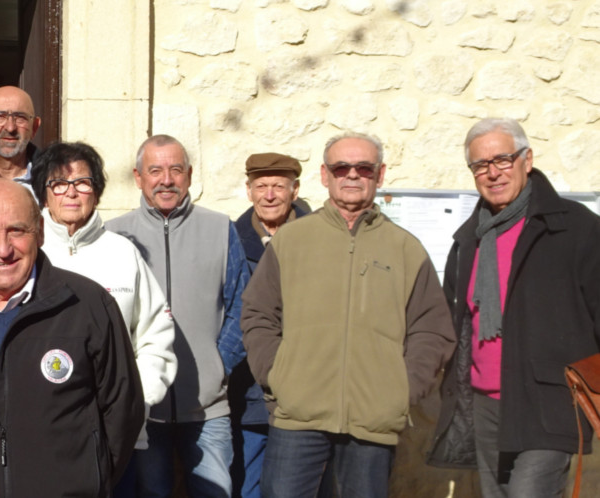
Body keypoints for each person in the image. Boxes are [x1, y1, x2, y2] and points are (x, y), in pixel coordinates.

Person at [241, 132, 456, 497]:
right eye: (341, 167)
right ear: (325, 175)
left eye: (363, 168)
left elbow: (431, 330)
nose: (352, 175)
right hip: (297, 418)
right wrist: (280, 378)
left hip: (372, 421)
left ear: (380, 174)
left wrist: (399, 390)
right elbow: (258, 314)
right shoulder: (291, 240)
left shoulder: (405, 248)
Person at [0, 178, 144, 497]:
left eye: (16, 230)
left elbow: (122, 411)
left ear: (40, 232)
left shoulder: (88, 305)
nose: (3, 250)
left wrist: (86, 480)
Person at [428, 118, 600, 498]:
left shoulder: (576, 229)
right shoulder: (470, 239)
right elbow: (454, 320)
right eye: (480, 165)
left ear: (527, 159)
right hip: (485, 404)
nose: (492, 173)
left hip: (551, 401)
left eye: (503, 159)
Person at [106, 134, 250, 498]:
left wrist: (218, 365)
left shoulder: (220, 229)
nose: (166, 180)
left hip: (207, 408)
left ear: (188, 175)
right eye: (155, 170)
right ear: (139, 177)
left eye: (175, 170)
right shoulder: (115, 236)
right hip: (143, 410)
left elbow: (243, 305)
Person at [32, 141, 176, 498]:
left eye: (82, 182)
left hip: (113, 434)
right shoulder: (27, 253)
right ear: (43, 194)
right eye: (59, 183)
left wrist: (137, 399)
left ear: (96, 191)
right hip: (40, 433)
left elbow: (155, 334)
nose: (71, 192)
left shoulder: (123, 253)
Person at [230, 152, 310, 498]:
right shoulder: (231, 240)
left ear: (295, 191)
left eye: (279, 186)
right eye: (261, 186)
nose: (270, 195)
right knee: (248, 485)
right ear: (249, 191)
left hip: (308, 391)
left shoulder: (320, 239)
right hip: (248, 389)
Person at [0, 86, 40, 189]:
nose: (10, 128)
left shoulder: (52, 182)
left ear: (34, 127)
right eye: (0, 117)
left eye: (20, 118)